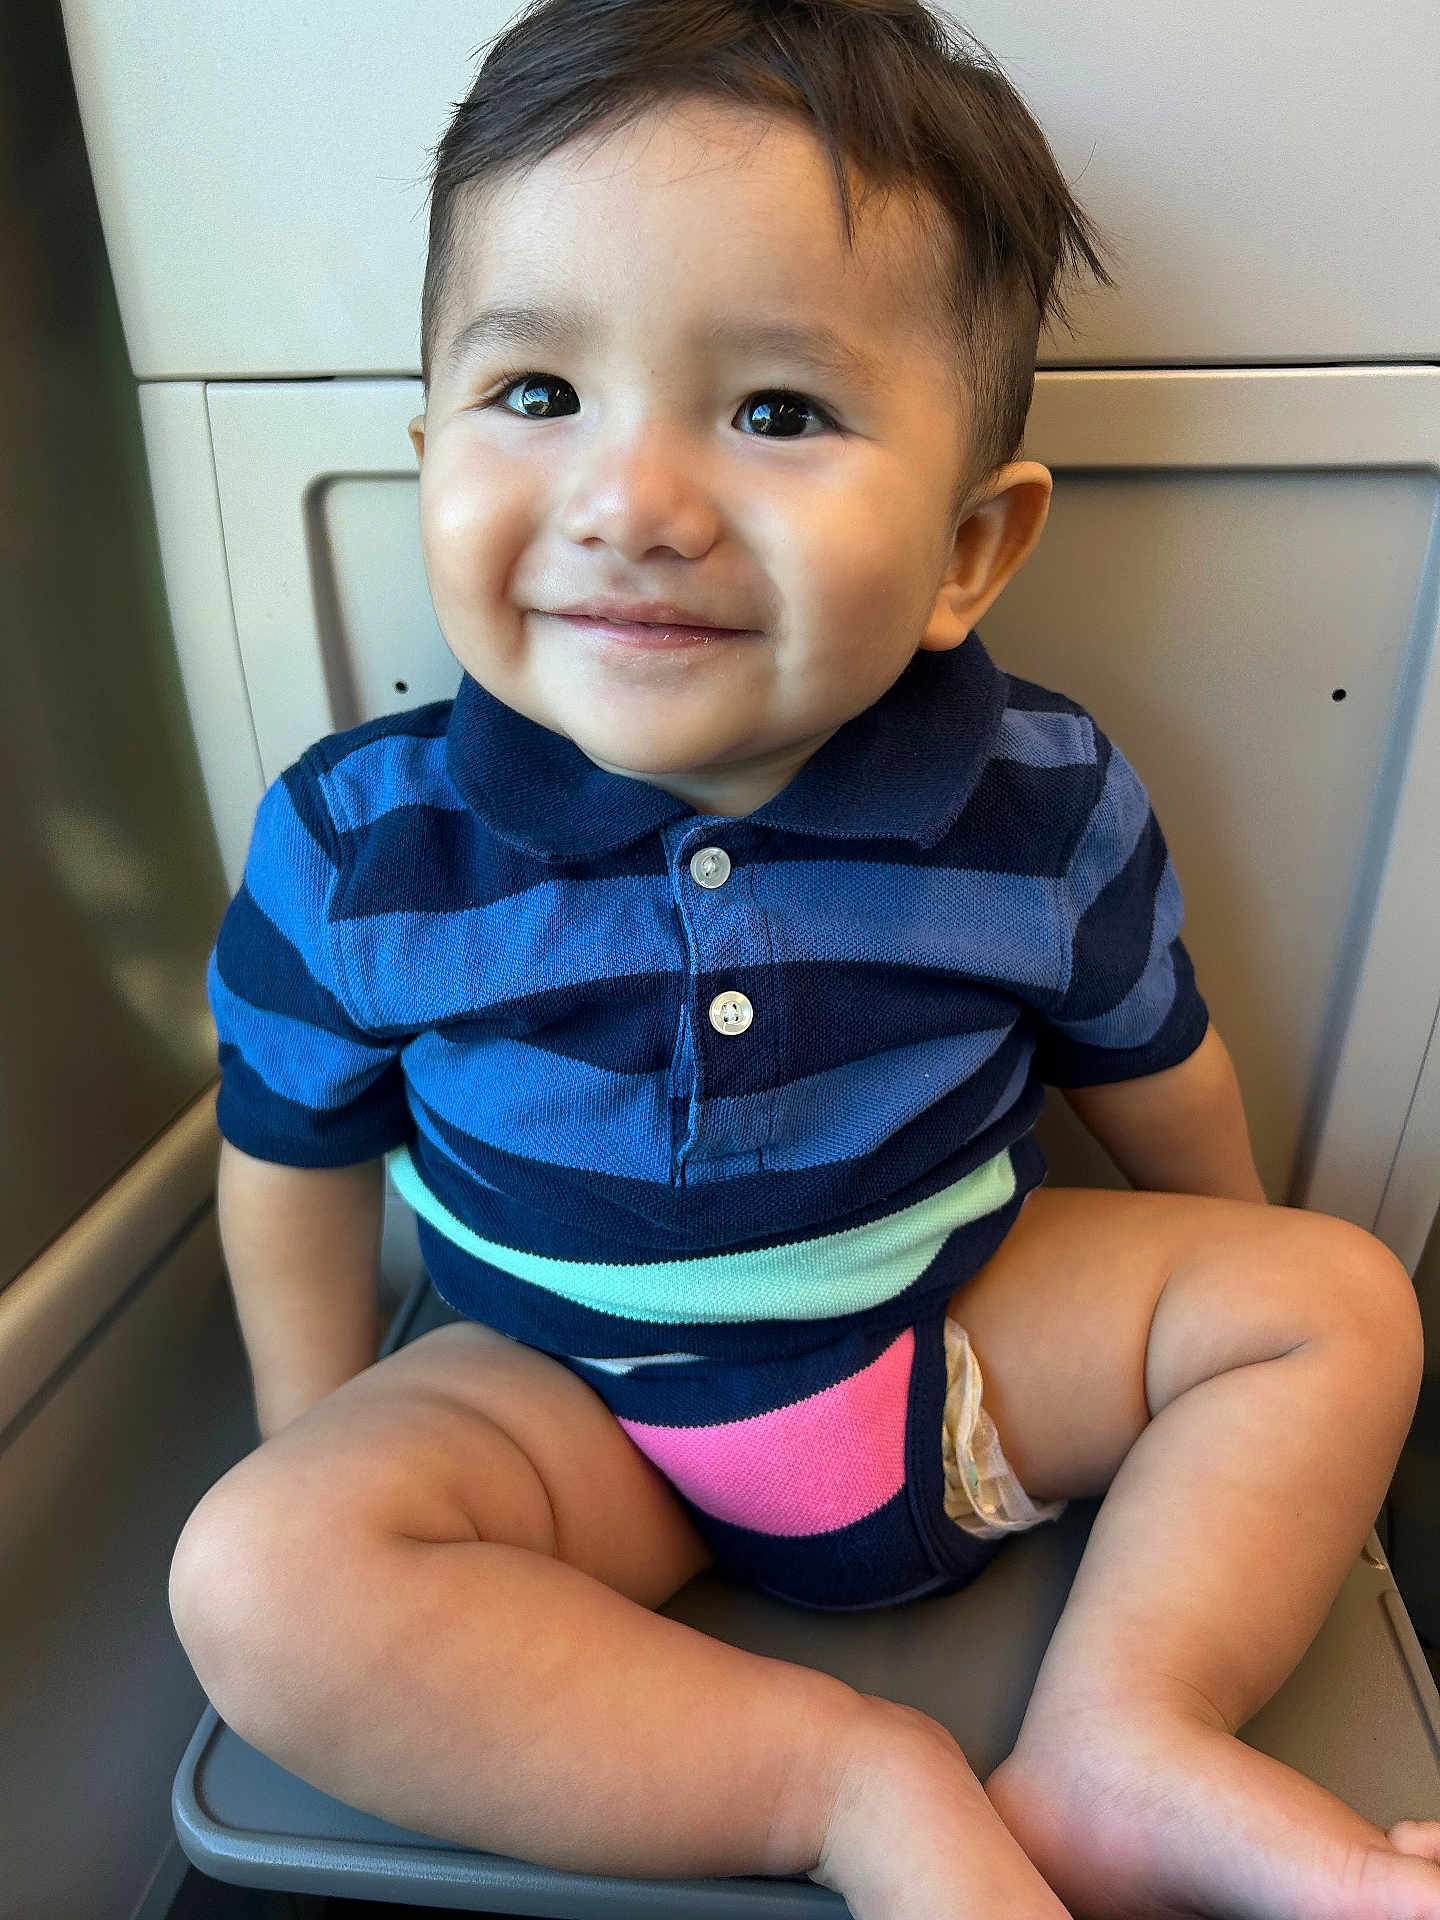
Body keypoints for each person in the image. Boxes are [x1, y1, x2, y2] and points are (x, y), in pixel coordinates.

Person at [167, 3, 1439, 1914]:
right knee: (255, 1573)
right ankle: (842, 1788)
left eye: (774, 412)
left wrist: (1213, 1371)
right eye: (536, 397)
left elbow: (1159, 1069)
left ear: (965, 552)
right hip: (568, 1418)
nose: (632, 504)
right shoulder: (361, 842)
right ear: (429, 446)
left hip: (961, 1347)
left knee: (1339, 1299)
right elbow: (282, 1146)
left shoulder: (1040, 798)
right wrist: (324, 1431)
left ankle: (1127, 1732)